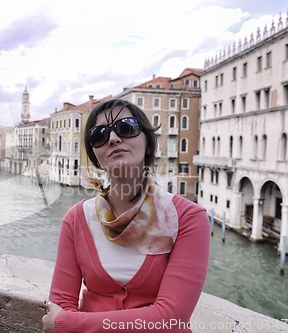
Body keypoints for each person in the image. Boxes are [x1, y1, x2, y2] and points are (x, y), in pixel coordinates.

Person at [42, 99, 210, 333]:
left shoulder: (189, 219)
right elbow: (61, 304)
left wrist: (68, 323)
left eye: (127, 127)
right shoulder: (76, 219)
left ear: (148, 144)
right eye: (99, 135)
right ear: (96, 155)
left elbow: (171, 318)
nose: (113, 138)